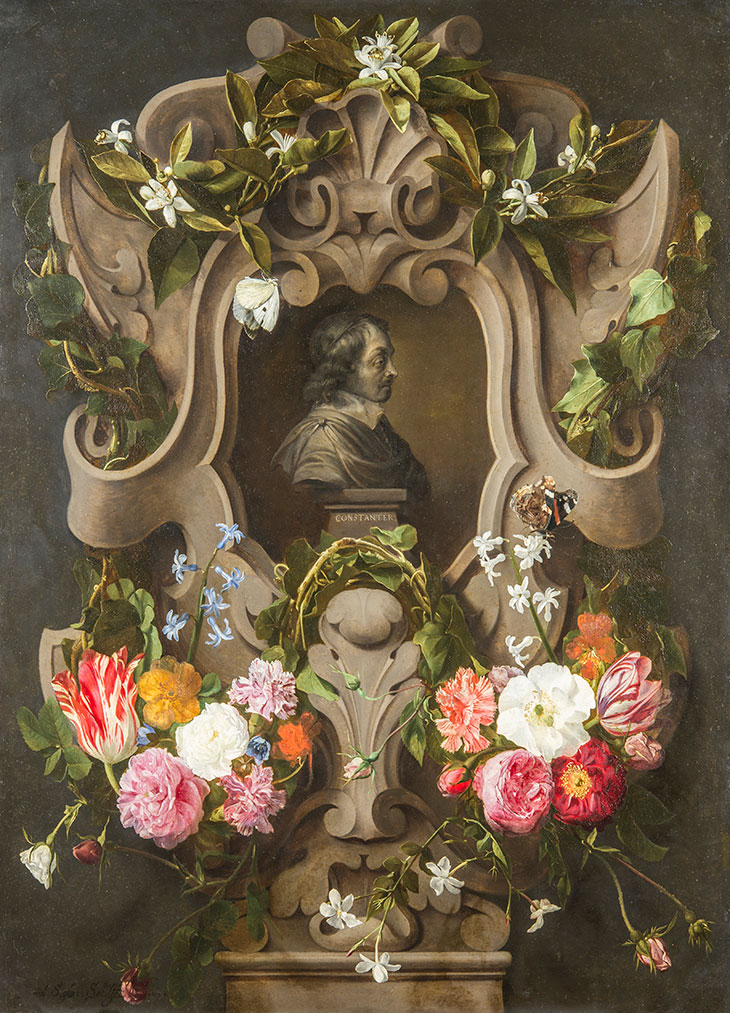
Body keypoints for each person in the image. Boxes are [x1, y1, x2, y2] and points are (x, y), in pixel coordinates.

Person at [272, 311, 428, 498]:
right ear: (344, 368)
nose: (393, 371)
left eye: (390, 359)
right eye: (380, 361)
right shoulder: (322, 440)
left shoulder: (380, 429)